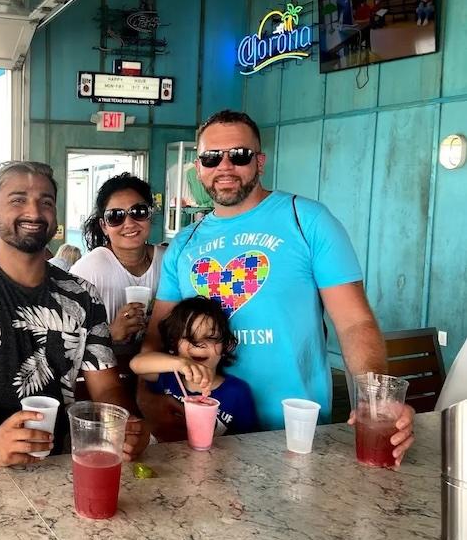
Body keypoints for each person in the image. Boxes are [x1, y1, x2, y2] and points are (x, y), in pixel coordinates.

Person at [138, 109, 415, 465]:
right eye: (211, 157)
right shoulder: (184, 244)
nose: (224, 166)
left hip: (293, 434)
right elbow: (158, 335)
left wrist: (378, 399)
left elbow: (354, 322)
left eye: (238, 155)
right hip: (206, 436)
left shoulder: (308, 220)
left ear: (260, 161)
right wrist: (145, 398)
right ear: (198, 167)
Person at [0, 160, 148, 468]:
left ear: (56, 215)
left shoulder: (83, 295)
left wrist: (127, 424)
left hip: (60, 469)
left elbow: (107, 387)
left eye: (45, 202)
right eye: (18, 200)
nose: (34, 212)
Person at [71, 173, 165, 379]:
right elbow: (64, 345)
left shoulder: (168, 262)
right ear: (104, 225)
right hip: (105, 378)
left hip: (161, 376)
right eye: (116, 216)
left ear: (150, 215)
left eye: (138, 212)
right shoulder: (89, 270)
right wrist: (110, 334)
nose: (129, 223)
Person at [130, 296, 258, 440]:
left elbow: (248, 442)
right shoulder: (167, 376)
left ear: (225, 345)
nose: (199, 344)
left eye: (210, 337)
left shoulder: (238, 392)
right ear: (173, 343)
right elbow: (136, 364)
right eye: (188, 337)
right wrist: (179, 363)